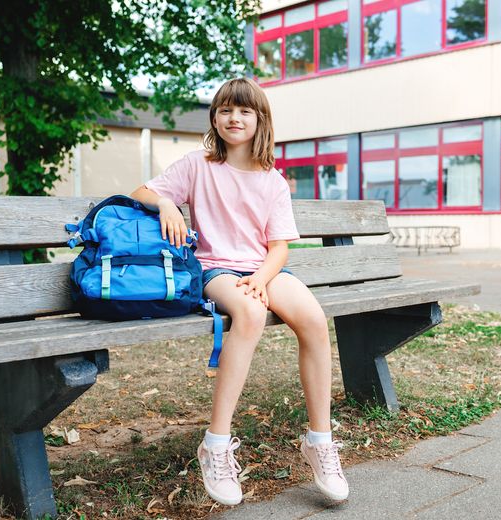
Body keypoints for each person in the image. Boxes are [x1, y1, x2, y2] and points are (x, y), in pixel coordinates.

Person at [129, 77, 348, 506]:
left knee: (313, 319)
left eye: (245, 111)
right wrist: (168, 203)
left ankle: (320, 442)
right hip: (215, 269)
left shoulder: (272, 180)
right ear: (215, 117)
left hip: (260, 268)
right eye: (226, 109)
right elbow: (142, 191)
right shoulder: (197, 164)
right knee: (248, 315)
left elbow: (279, 246)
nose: (235, 117)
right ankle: (215, 444)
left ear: (260, 120)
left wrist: (262, 279)